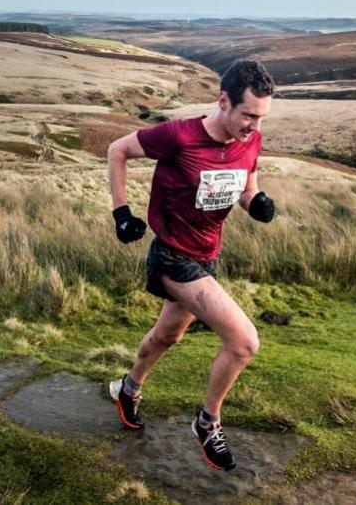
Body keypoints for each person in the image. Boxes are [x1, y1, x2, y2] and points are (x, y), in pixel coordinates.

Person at [106, 60, 276, 471]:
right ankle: (207, 422)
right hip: (172, 256)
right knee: (244, 342)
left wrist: (256, 203)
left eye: (261, 117)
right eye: (248, 114)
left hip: (207, 254)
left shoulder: (250, 140)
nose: (254, 125)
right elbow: (117, 150)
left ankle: (127, 389)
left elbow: (244, 185)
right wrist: (121, 213)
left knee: (168, 336)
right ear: (223, 101)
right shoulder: (178, 136)